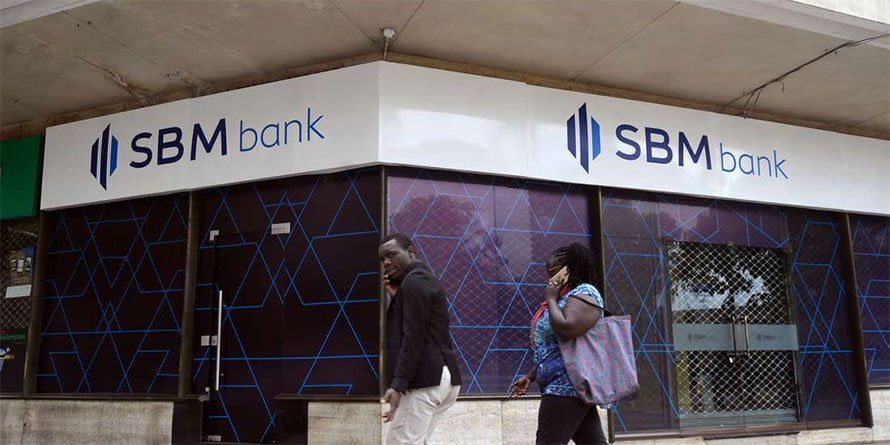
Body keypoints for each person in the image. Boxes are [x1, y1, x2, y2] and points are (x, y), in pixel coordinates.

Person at [510, 243, 608, 445]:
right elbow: (557, 347)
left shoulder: (585, 293)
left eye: (553, 271)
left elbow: (566, 328)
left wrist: (552, 299)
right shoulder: (567, 296)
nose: (549, 278)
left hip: (565, 386)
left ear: (567, 270)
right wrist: (531, 376)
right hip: (564, 385)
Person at [378, 233, 462, 444]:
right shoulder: (421, 280)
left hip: (426, 380)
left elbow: (414, 337)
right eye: (383, 259)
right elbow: (425, 325)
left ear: (411, 251)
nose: (386, 262)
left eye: (391, 255)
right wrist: (398, 296)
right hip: (439, 378)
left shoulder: (414, 283)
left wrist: (398, 384)